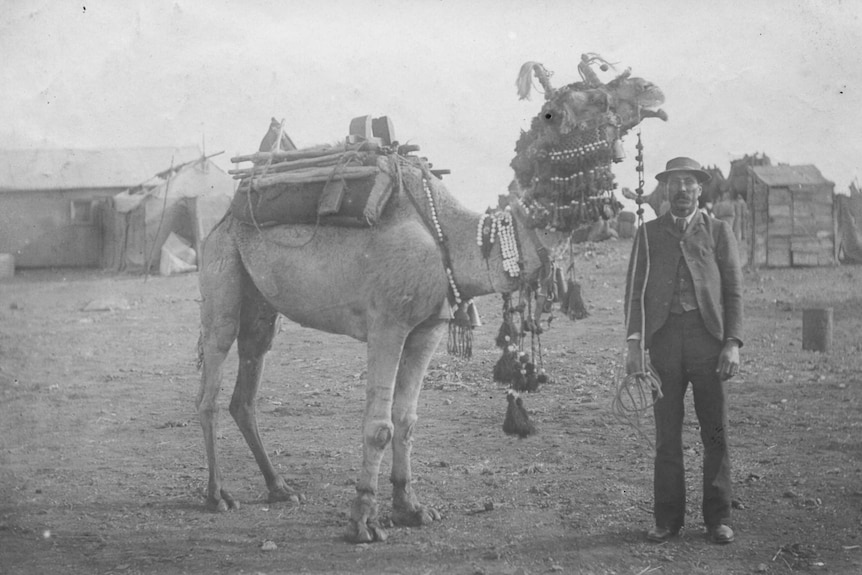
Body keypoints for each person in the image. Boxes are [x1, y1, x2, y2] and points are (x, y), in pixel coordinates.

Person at [624, 156, 744, 545]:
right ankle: (667, 520)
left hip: (708, 342)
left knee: (715, 432)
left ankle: (718, 518)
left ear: (699, 189)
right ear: (664, 190)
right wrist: (634, 345)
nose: (681, 191)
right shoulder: (647, 234)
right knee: (667, 435)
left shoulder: (718, 231)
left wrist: (732, 343)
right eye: (674, 183)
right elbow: (634, 293)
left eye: (688, 183)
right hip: (663, 344)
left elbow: (733, 292)